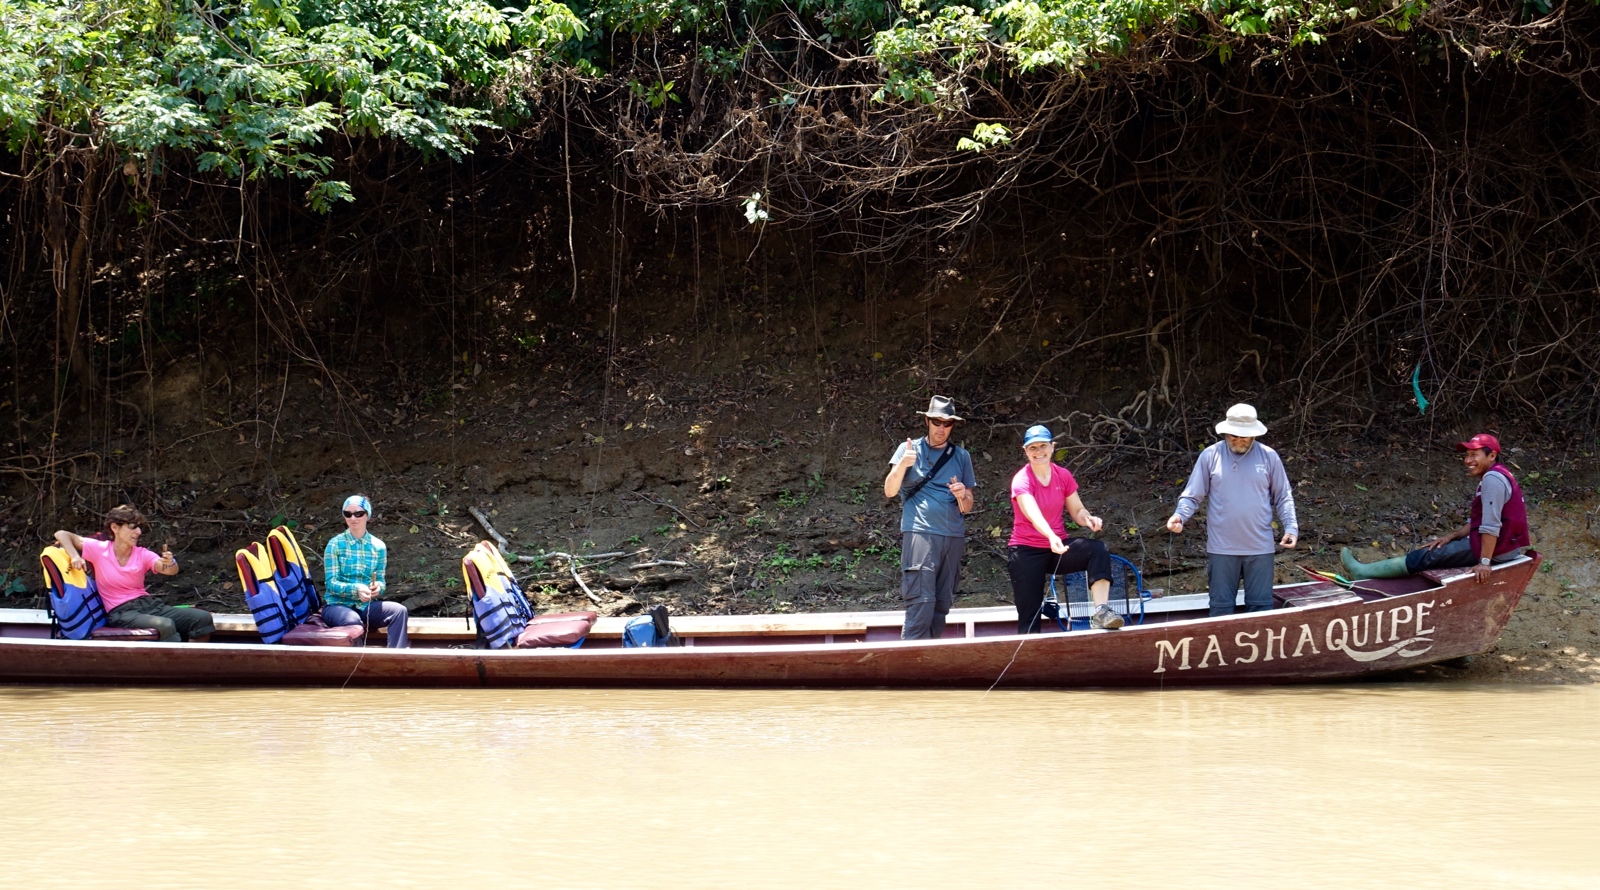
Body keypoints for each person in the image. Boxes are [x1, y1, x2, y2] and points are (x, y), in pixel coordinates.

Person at [1166, 404, 1299, 617]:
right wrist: (1180, 515)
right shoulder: (1211, 455)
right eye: (1233, 435)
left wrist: (1291, 528)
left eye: (1244, 436)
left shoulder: (1269, 456)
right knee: (1221, 610)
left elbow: (1283, 496)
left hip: (1260, 548)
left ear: (1254, 434)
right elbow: (1192, 494)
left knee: (1261, 610)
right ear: (1225, 432)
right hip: (1222, 549)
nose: (1238, 439)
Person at [1341, 433, 1529, 583]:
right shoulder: (1498, 475)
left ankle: (1362, 572)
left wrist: (1485, 562)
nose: (1468, 460)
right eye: (1467, 455)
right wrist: (1451, 537)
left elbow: (1490, 525)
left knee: (1428, 555)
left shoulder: (1492, 480)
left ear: (1492, 455)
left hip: (1497, 549)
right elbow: (1476, 522)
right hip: (1501, 545)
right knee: (1441, 549)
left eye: (1474, 455)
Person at [1007, 425, 1124, 633]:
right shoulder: (1021, 479)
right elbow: (1033, 515)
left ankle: (1101, 612)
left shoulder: (1063, 475)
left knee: (1097, 549)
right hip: (1026, 550)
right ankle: (1029, 657)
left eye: (1043, 446)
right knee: (1029, 614)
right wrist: (1051, 535)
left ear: (1052, 447)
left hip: (1057, 547)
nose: (1039, 452)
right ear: (1025, 451)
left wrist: (1088, 518)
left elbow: (1077, 510)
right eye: (1032, 448)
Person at [883, 395, 976, 640]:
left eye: (947, 423)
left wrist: (961, 494)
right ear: (927, 421)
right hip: (920, 532)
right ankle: (910, 661)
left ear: (953, 425)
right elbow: (890, 491)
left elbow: (967, 506)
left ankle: (931, 659)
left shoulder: (961, 456)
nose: (941, 428)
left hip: (952, 536)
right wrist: (903, 464)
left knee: (942, 604)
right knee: (921, 602)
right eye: (937, 422)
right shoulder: (908, 449)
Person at [52, 504, 214, 642]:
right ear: (115, 528)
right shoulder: (99, 550)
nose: (138, 532)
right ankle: (173, 668)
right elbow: (62, 534)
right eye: (132, 526)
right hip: (120, 612)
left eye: (138, 527)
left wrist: (169, 562)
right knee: (165, 625)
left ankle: (192, 664)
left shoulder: (142, 554)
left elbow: (170, 570)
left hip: (149, 605)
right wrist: (74, 555)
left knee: (202, 618)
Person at [323, 494, 409, 648]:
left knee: (399, 611)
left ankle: (396, 659)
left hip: (366, 606)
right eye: (348, 514)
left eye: (358, 513)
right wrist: (356, 589)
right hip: (337, 605)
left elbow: (381, 580)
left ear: (367, 515)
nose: (353, 518)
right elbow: (331, 583)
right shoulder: (335, 544)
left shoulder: (378, 546)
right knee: (352, 620)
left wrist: (378, 589)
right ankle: (359, 667)